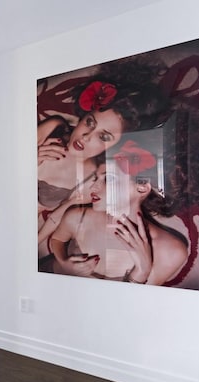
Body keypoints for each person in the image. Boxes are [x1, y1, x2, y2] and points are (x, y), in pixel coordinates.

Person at [38, 57, 171, 258]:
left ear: (115, 145)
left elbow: (57, 219)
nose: (86, 136)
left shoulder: (92, 178)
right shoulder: (53, 128)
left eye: (103, 136)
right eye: (89, 122)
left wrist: (32, 243)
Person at [49, 142, 189, 284]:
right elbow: (57, 240)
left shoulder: (171, 251)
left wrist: (141, 272)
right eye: (95, 178)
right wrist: (64, 263)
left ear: (141, 189)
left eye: (108, 179)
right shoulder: (77, 217)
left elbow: (133, 304)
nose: (93, 187)